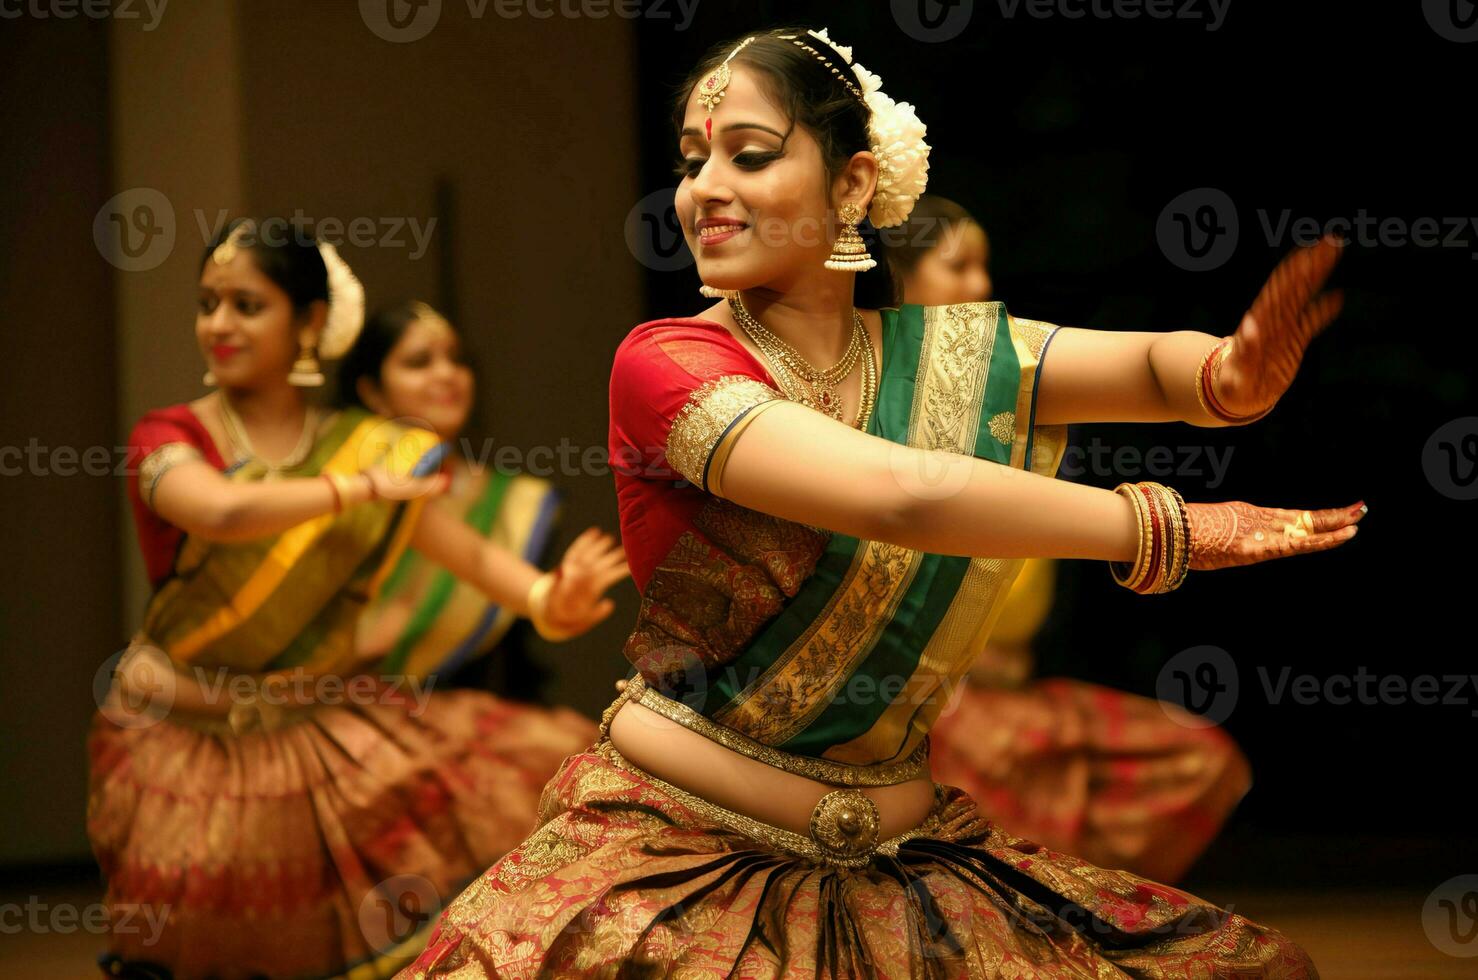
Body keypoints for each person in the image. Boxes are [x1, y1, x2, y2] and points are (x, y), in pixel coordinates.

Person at [400, 28, 1361, 977]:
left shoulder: (945, 355)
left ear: (854, 184)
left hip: (899, 872)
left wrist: (1231, 376)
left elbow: (1154, 370)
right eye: (694, 162)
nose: (704, 190)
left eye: (750, 154)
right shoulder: (669, 362)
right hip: (678, 865)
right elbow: (898, 495)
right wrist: (1160, 528)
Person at [89, 219, 627, 980]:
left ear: (309, 323)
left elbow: (468, 554)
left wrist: (552, 598)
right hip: (186, 741)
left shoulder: (369, 443)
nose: (219, 324)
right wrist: (360, 489)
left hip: (317, 737)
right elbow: (221, 512)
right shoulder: (172, 434)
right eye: (208, 303)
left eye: (247, 305)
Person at [893, 195, 1252, 883]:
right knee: (1000, 775)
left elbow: (1148, 373)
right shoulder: (869, 405)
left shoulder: (1014, 386)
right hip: (917, 704)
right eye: (958, 266)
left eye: (983, 267)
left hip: (1016, 688)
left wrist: (1230, 375)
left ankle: (1080, 914)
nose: (979, 287)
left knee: (1198, 758)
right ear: (899, 279)